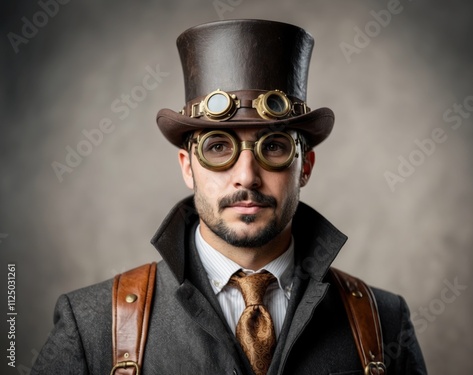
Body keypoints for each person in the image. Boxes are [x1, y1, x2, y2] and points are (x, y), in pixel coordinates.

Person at [32, 19, 427, 375]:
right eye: (218, 148)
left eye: (273, 147)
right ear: (188, 166)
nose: (246, 176)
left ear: (304, 165)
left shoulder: (381, 323)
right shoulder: (94, 325)